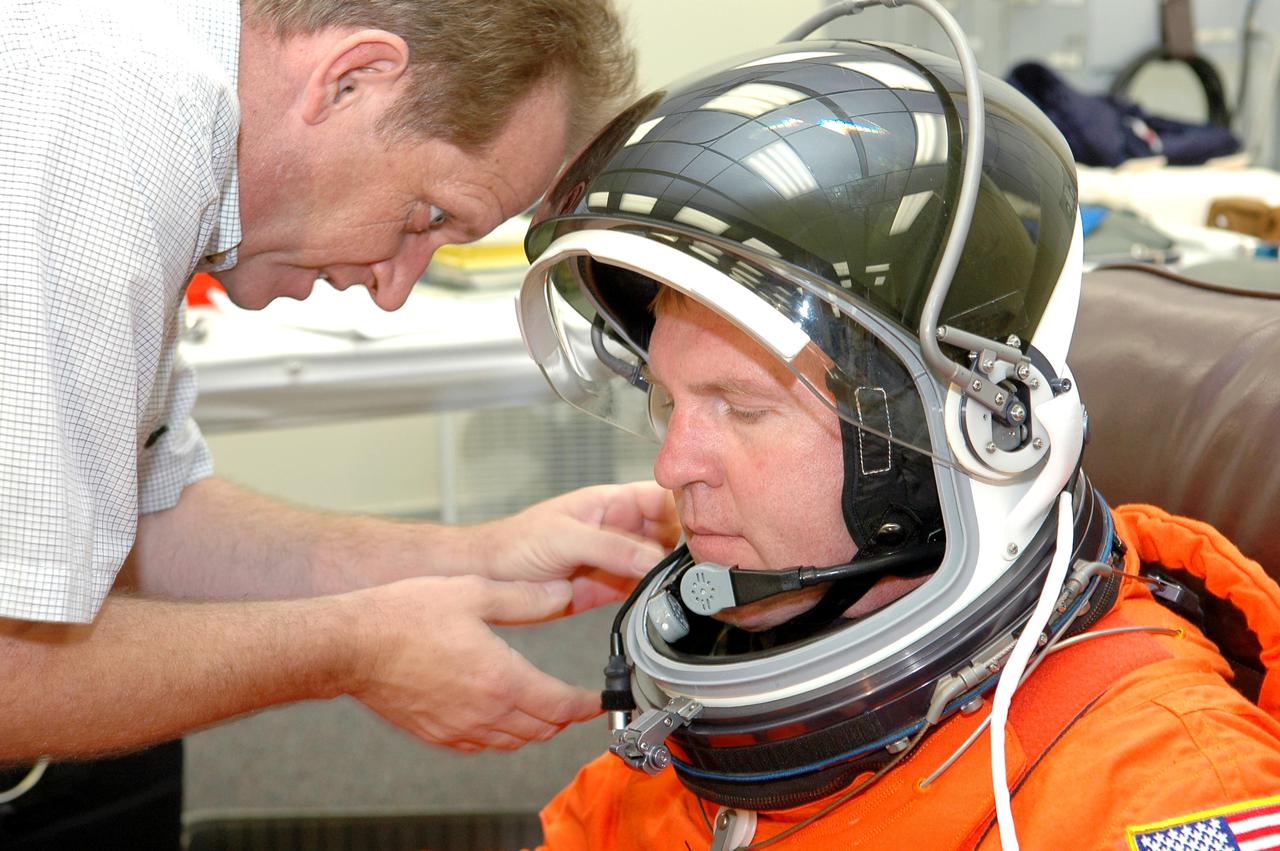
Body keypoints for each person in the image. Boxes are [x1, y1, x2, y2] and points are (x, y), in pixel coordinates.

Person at [513, 24, 1280, 851]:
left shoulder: (1155, 785)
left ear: (949, 439)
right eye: (669, 401)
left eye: (741, 406)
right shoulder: (694, 743)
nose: (673, 465)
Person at [0, 0, 677, 842]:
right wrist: (354, 648)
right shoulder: (113, 114)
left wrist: (471, 555)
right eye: (426, 216)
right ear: (351, 78)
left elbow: (151, 515)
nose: (395, 288)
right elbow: (10, 664)